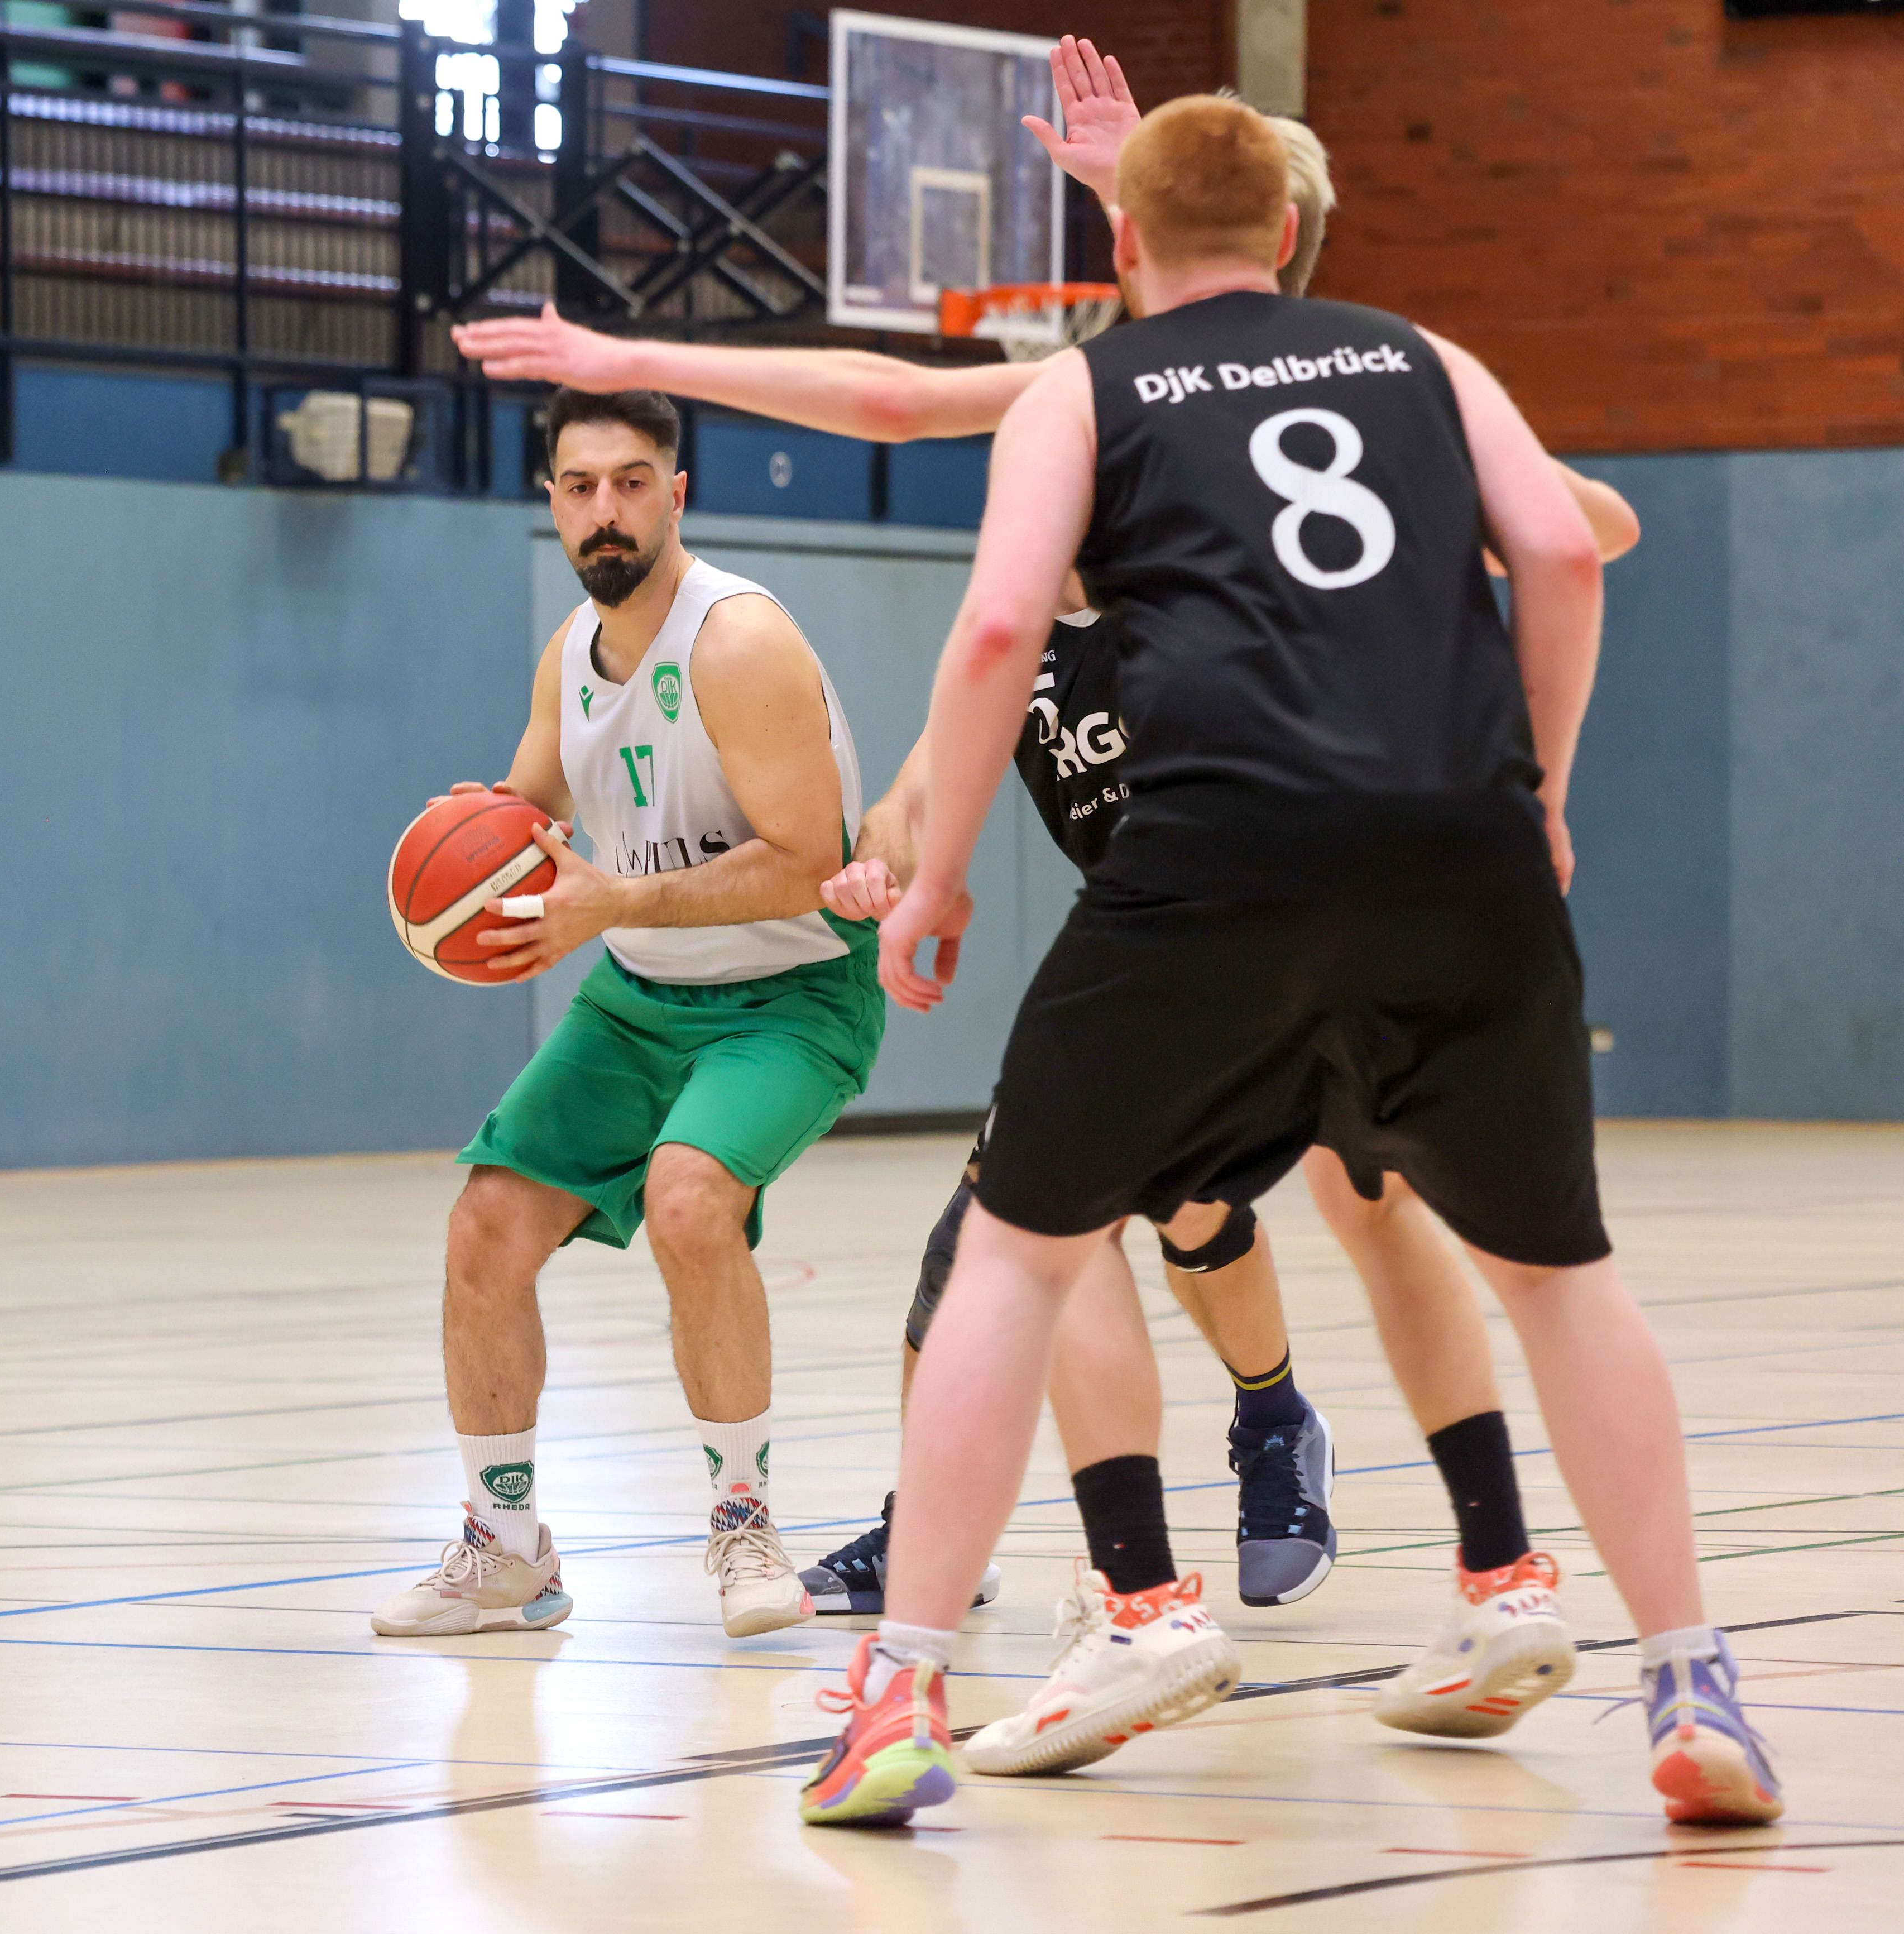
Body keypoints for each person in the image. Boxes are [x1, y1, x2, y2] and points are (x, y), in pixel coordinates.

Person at [453, 52, 1639, 1763]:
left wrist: (639, 355)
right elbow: (914, 769)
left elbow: (912, 403)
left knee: (1085, 1233)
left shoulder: (1151, 460)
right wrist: (890, 863)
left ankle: (1154, 1577)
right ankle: (1462, 1558)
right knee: (1266, 1219)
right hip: (1355, 898)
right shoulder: (1177, 439)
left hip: (1223, 903)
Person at [798, 95, 1782, 1830]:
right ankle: (1691, 1676)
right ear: (1288, 228)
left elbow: (1003, 623)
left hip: (1222, 857)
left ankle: (904, 1693)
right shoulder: (1422, 355)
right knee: (1561, 1276)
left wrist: (935, 877)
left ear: (1121, 240)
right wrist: (1544, 791)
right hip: (1462, 854)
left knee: (1020, 1252)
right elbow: (1567, 547)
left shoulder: (1088, 388)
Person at [369, 387, 883, 1643]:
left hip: (791, 989)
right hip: (642, 995)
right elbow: (530, 817)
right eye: (581, 485)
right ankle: (506, 1550)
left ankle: (745, 1524)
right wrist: (474, 833)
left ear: (676, 495)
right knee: (487, 1225)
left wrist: (614, 901)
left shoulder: (737, 641)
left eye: (632, 482)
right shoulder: (570, 656)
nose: (607, 508)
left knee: (689, 1201)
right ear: (552, 502)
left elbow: (809, 864)